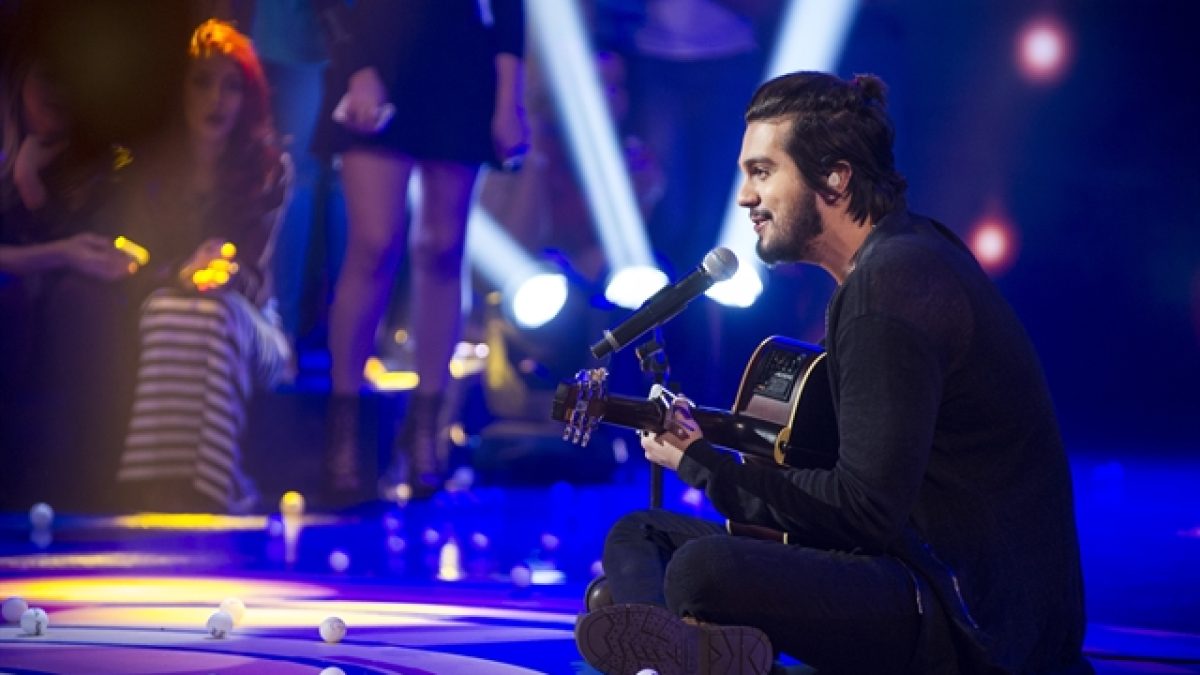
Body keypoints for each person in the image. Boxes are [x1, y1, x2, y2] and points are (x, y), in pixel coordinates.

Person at [575, 72, 1091, 674]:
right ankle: (667, 651)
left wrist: (700, 464)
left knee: (698, 570)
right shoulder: (900, 257)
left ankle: (665, 642)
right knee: (641, 535)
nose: (744, 197)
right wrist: (710, 450)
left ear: (835, 178)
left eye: (762, 172)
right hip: (921, 569)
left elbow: (864, 508)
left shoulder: (890, 288)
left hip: (970, 616)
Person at [312, 0, 528, 501]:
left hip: (458, 59)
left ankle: (427, 427)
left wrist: (508, 97)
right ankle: (344, 427)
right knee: (374, 243)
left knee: (444, 248)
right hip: (375, 47)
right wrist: (357, 65)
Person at [113, 19, 292, 513]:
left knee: (216, 315)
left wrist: (223, 273)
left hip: (253, 324)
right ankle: (160, 488)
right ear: (179, 89)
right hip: (168, 311)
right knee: (169, 312)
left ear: (248, 98)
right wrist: (181, 272)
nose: (217, 99)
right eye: (203, 82)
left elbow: (258, 282)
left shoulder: (268, 170)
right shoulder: (146, 169)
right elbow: (131, 263)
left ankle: (211, 486)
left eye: (231, 86)